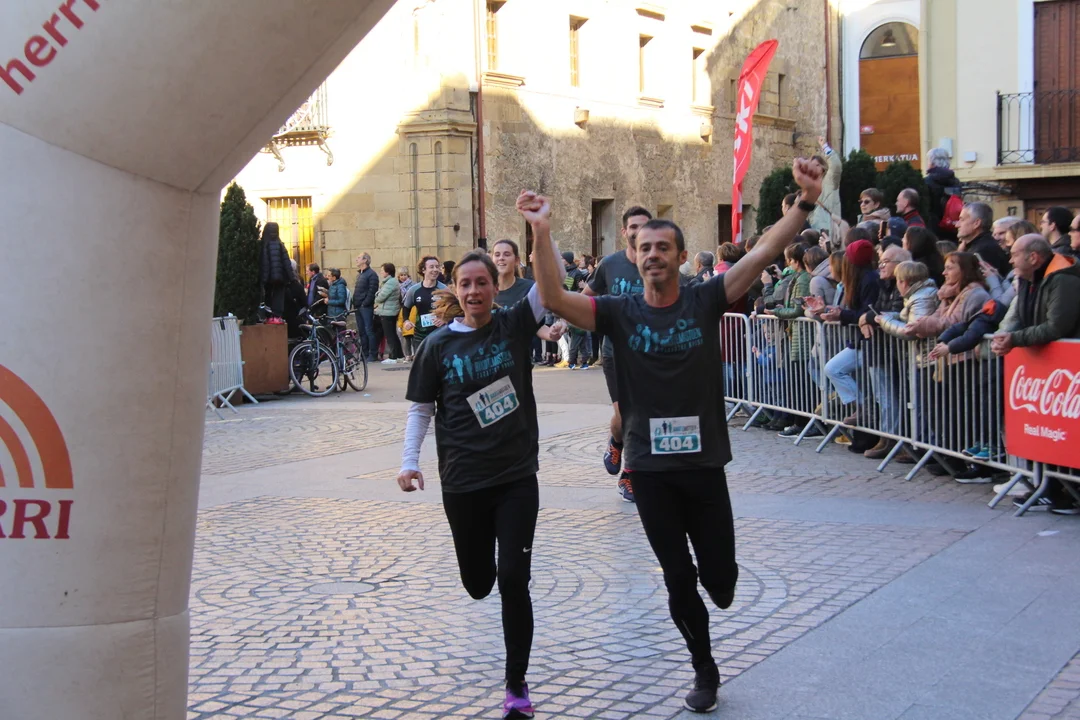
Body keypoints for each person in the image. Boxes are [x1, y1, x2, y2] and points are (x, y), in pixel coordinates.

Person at [519, 157, 826, 714]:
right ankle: (704, 668)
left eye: (664, 247)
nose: (654, 254)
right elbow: (556, 298)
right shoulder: (619, 312)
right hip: (649, 468)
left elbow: (761, 253)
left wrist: (805, 201)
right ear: (633, 256)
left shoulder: (704, 300)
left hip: (704, 466)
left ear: (682, 257)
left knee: (722, 585)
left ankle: (718, 587)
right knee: (678, 578)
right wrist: (540, 231)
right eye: (645, 248)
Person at [397, 249, 562, 719]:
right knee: (478, 583)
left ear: (495, 286)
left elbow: (551, 283)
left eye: (482, 283)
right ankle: (482, 573)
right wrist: (409, 462)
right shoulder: (437, 346)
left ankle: (516, 685)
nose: (474, 291)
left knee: (513, 578)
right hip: (463, 482)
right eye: (465, 284)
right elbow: (421, 410)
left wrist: (541, 231)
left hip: (515, 477)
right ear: (456, 289)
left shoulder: (513, 325)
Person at [993, 234, 1080, 512]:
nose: (1010, 260)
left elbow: (1057, 326)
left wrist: (1015, 339)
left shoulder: (1063, 279)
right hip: (1044, 366)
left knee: (1064, 432)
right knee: (1045, 430)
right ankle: (1048, 486)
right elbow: (1020, 316)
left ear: (1033, 257)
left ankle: (1067, 491)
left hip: (1066, 369)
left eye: (1014, 254)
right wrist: (1004, 337)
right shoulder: (1026, 279)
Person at [582, 205, 652, 502]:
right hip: (616, 352)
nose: (638, 231)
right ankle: (616, 440)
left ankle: (630, 474)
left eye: (644, 226)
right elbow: (587, 298)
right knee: (625, 415)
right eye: (633, 227)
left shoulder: (658, 263)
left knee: (644, 414)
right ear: (624, 231)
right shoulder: (610, 264)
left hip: (651, 353)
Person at [403, 256, 448, 355]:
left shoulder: (444, 289)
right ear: (423, 270)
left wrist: (444, 319)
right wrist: (406, 321)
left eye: (437, 267)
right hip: (420, 335)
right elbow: (406, 308)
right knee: (421, 362)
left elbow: (454, 309)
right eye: (431, 267)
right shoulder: (414, 290)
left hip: (440, 333)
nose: (435, 270)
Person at [956, 202, 1011, 277]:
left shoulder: (983, 251)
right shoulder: (975, 247)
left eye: (962, 220)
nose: (957, 225)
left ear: (976, 223)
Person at [809, 136, 845, 240]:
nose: (814, 168)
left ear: (822, 167)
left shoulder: (829, 180)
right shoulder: (809, 188)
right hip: (814, 233)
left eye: (817, 165)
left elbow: (836, 166)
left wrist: (825, 146)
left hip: (831, 230)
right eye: (811, 166)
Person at [924, 147, 962, 239]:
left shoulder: (927, 181)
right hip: (952, 225)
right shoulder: (955, 181)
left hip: (933, 227)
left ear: (932, 162)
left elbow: (926, 207)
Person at [258, 222, 293, 317]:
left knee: (267, 297)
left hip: (268, 277)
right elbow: (286, 262)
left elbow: (264, 262)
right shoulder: (280, 244)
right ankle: (277, 316)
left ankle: (267, 315)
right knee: (278, 297)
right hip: (280, 278)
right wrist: (292, 278)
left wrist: (263, 278)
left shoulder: (263, 244)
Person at [352, 252, 380, 362]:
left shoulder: (371, 274)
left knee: (369, 331)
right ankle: (364, 353)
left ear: (365, 260)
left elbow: (372, 290)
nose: (357, 259)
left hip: (365, 307)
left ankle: (373, 354)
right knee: (362, 332)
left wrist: (365, 303)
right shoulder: (360, 274)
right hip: (358, 306)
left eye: (359, 258)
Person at [374, 262, 403, 364]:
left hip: (388, 312)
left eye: (382, 270)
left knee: (390, 335)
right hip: (389, 311)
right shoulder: (389, 282)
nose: (381, 272)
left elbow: (381, 297)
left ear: (388, 272)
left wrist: (377, 295)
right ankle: (399, 356)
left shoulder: (390, 282)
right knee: (392, 334)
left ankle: (393, 357)